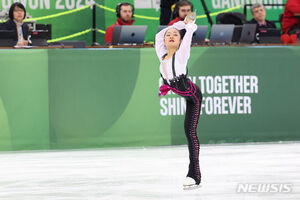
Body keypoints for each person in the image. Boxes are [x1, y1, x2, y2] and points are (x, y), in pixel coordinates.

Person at [155, 13, 202, 189]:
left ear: (180, 41)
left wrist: (186, 25)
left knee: (191, 134)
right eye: (169, 35)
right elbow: (158, 35)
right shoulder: (161, 55)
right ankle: (193, 174)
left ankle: (194, 175)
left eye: (175, 35)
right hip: (181, 92)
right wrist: (179, 24)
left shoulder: (182, 54)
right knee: (187, 133)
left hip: (193, 95)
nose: (171, 36)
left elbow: (189, 31)